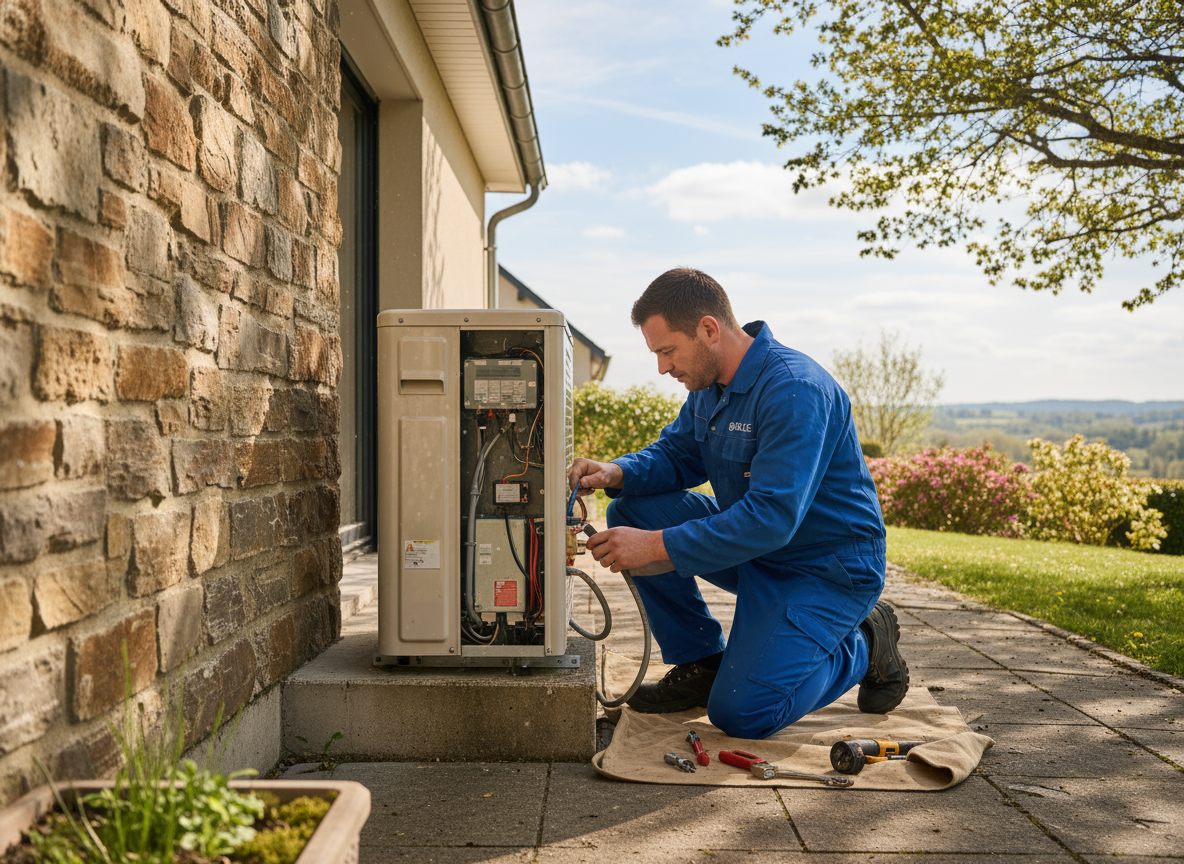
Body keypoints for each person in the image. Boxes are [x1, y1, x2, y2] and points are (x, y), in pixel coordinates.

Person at [567, 267, 908, 740]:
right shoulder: (708, 387)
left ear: (709, 329)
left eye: (668, 351)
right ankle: (702, 662)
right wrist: (615, 472)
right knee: (632, 509)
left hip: (825, 569)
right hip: (758, 552)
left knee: (743, 713)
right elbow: (677, 454)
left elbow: (771, 517)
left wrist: (656, 546)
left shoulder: (795, 389)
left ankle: (866, 639)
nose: (662, 367)